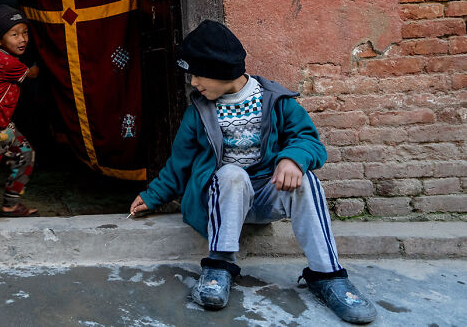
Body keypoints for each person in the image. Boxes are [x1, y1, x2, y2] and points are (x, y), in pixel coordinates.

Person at [129, 20, 376, 324]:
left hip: (266, 196)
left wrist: (293, 160)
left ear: (221, 69)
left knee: (307, 180)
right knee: (231, 173)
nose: (193, 82)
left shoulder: (274, 101)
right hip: (223, 201)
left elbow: (309, 141)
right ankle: (219, 266)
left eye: (197, 73)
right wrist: (153, 196)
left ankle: (328, 275)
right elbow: (179, 164)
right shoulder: (199, 112)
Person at [0, 5, 39, 217]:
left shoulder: (3, 58)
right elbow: (32, 74)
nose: (22, 39)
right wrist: (46, 60)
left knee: (25, 154)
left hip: (3, 125)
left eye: (25, 32)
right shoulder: (5, 62)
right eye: (14, 34)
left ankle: (10, 205)